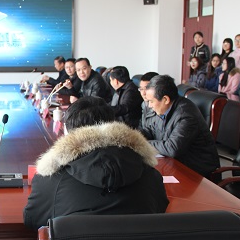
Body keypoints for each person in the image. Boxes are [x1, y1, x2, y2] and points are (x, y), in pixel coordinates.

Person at [23, 96, 168, 230]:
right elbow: (160, 210)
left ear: (67, 132)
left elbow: (32, 220)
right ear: (114, 126)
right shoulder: (151, 176)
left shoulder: (50, 179)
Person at [140, 75, 220, 178]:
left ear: (165, 99)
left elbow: (172, 148)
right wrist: (134, 136)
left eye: (151, 101)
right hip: (177, 163)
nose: (149, 106)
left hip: (198, 172)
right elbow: (151, 130)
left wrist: (142, 143)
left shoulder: (186, 114)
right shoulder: (163, 109)